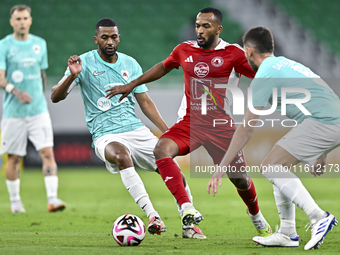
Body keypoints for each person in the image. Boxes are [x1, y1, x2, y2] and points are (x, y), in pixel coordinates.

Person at [105, 7, 272, 237]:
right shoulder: (184, 50)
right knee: (161, 149)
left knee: (240, 180)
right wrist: (131, 84)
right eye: (197, 25)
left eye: (206, 26)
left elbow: (263, 73)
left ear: (219, 29)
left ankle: (256, 216)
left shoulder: (233, 53)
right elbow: (163, 67)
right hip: (190, 123)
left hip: (221, 127)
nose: (200, 30)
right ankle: (186, 208)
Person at [50, 18, 205, 238]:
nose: (110, 41)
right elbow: (56, 96)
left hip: (135, 130)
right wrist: (72, 76)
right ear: (96, 40)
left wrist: (166, 132)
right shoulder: (82, 63)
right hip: (105, 134)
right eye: (104, 37)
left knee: (172, 169)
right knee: (122, 156)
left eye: (113, 36)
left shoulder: (130, 64)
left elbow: (146, 103)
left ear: (119, 38)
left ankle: (188, 222)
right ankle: (153, 216)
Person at [208, 26, 339, 250]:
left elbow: (246, 129)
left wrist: (222, 166)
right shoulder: (289, 64)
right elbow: (324, 98)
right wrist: (321, 154)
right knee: (278, 166)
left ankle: (318, 216)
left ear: (248, 51)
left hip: (324, 122)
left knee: (270, 166)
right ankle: (288, 233)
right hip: (330, 119)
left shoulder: (265, 75)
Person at [0, 5, 66, 213]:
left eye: (25, 18)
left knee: (47, 152)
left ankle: (53, 199)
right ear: (11, 22)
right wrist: (16, 91)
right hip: (14, 113)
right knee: (14, 158)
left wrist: (40, 95)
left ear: (30, 20)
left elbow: (42, 74)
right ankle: (15, 202)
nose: (21, 22)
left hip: (38, 111)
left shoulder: (40, 44)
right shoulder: (4, 45)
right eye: (17, 18)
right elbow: (0, 78)